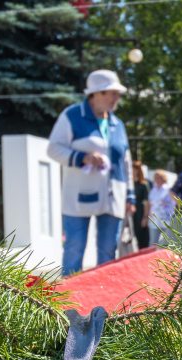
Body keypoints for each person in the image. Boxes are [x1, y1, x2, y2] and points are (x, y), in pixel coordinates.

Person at [46, 69, 134, 276]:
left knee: (108, 252)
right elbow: (53, 149)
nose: (116, 98)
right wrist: (81, 157)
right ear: (96, 93)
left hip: (114, 196)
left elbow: (126, 161)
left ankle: (105, 300)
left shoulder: (117, 124)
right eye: (112, 93)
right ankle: (68, 302)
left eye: (117, 94)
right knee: (74, 249)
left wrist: (130, 195)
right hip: (78, 196)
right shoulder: (72, 116)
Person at [147, 169, 176, 246]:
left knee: (167, 242)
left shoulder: (169, 189)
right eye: (156, 177)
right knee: (153, 242)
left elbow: (174, 203)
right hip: (154, 219)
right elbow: (150, 203)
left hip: (166, 219)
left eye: (159, 177)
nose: (157, 179)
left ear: (163, 178)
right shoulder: (153, 190)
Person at [131, 161, 151, 249]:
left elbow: (146, 202)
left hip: (140, 213)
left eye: (134, 169)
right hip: (130, 212)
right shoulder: (130, 184)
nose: (132, 171)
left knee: (142, 238)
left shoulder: (143, 185)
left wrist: (145, 217)